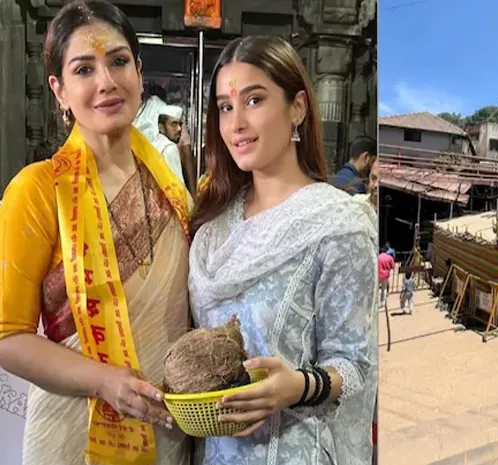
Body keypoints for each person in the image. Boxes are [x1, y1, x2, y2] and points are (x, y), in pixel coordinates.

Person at [0, 2, 192, 464]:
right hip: (74, 432)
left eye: (119, 61)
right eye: (84, 69)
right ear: (59, 90)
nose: (106, 81)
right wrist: (104, 380)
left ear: (140, 74)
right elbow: (7, 337)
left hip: (167, 429)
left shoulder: (173, 190)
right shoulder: (38, 190)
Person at [187, 35, 378, 465]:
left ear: (298, 108)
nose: (236, 123)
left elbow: (355, 366)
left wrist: (298, 386)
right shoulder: (212, 230)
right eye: (225, 107)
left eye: (254, 100)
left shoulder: (338, 224)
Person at [156, 104, 188, 188]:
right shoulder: (169, 149)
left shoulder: (155, 144)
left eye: (180, 124)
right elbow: (178, 188)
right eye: (174, 124)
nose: (179, 129)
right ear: (161, 128)